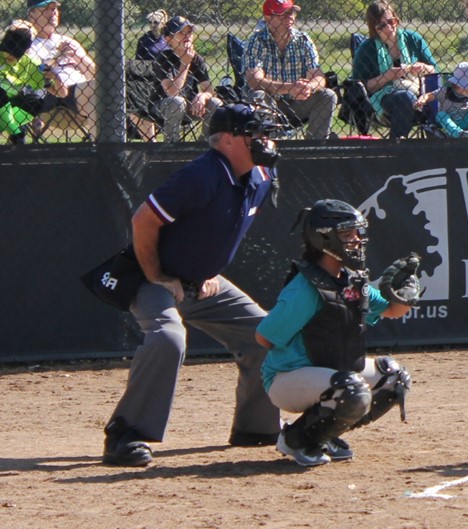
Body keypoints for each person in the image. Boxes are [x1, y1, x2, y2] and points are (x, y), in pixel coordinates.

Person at [101, 103, 287, 467]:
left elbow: (227, 227)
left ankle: (256, 426)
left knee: (267, 333)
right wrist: (157, 275)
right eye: (256, 133)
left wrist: (207, 269)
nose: (266, 140)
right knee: (168, 337)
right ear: (230, 140)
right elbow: (144, 219)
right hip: (154, 279)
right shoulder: (202, 175)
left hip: (202, 284)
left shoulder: (261, 177)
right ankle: (126, 433)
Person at [257, 199, 414, 466]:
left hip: (331, 374)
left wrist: (404, 295)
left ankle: (323, 435)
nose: (355, 240)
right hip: (287, 378)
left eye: (355, 233)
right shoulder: (306, 288)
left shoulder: (351, 279)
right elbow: (264, 337)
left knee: (393, 377)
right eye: (345, 234)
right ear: (323, 239)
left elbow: (393, 310)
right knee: (351, 389)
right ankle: (296, 439)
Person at [244, 0, 337, 139]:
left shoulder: (303, 39)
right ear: (268, 17)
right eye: (283, 14)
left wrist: (308, 87)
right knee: (258, 95)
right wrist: (289, 88)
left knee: (328, 95)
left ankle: (314, 150)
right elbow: (255, 80)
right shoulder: (256, 41)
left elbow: (318, 76)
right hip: (269, 103)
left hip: (298, 103)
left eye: (292, 12)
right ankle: (267, 149)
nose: (290, 17)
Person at [351, 1, 438, 139]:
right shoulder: (367, 48)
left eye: (392, 21)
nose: (390, 28)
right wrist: (387, 76)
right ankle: (397, 143)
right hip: (385, 97)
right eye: (382, 26)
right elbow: (359, 86)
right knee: (404, 97)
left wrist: (423, 67)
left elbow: (435, 70)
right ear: (374, 28)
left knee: (441, 94)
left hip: (419, 91)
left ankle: (438, 143)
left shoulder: (412, 39)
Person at [25, 0, 97, 139]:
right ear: (31, 15)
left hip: (80, 98)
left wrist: (77, 57)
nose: (52, 12)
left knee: (107, 87)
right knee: (98, 88)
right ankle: (101, 149)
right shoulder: (27, 44)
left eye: (54, 9)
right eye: (45, 9)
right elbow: (35, 76)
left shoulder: (69, 41)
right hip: (50, 99)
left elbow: (94, 74)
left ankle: (149, 145)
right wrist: (58, 57)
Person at [151, 16, 220, 141]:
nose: (187, 36)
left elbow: (210, 90)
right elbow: (172, 92)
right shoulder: (163, 59)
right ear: (169, 40)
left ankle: (204, 144)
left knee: (215, 103)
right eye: (181, 33)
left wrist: (202, 96)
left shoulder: (196, 58)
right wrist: (185, 63)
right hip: (163, 106)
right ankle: (172, 144)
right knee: (177, 101)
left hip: (189, 105)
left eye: (189, 32)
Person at [0, 21, 67, 143]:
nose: (9, 54)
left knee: (34, 102)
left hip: (8, 111)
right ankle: (16, 133)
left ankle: (11, 129)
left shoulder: (30, 64)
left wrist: (55, 77)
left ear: (26, 50)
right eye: (6, 49)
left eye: (16, 52)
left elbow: (61, 93)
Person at [415, 61, 468, 138]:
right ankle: (458, 134)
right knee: (440, 115)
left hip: (467, 122)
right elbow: (429, 95)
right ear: (458, 85)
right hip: (449, 126)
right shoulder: (445, 92)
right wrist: (422, 100)